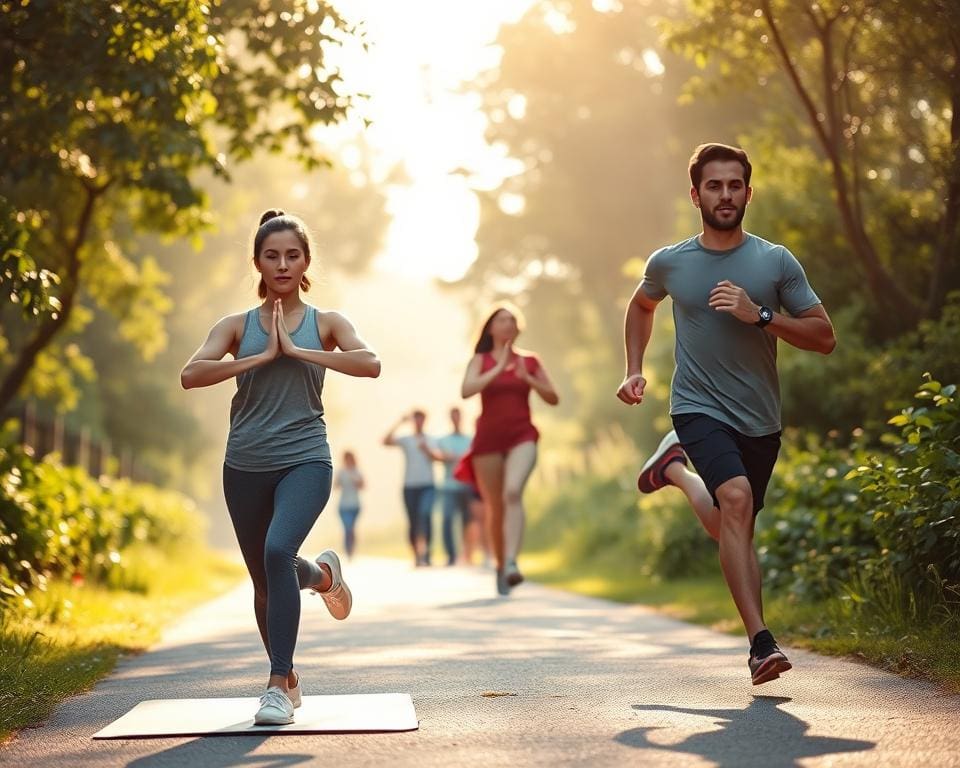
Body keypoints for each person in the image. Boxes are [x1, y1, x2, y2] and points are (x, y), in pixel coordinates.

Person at [616, 143, 836, 685]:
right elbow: (641, 305)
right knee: (735, 499)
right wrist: (633, 367)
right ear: (695, 194)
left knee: (729, 523)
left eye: (734, 185)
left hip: (760, 416)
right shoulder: (670, 262)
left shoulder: (775, 261)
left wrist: (760, 315)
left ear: (748, 193)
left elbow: (825, 336)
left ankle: (672, 469)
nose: (725, 195)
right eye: (714, 186)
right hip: (696, 405)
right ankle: (761, 644)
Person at [180, 209, 381, 725]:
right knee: (267, 581)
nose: (283, 263)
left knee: (276, 550)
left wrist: (300, 351)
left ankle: (273, 685)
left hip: (305, 459)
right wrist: (260, 357)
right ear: (258, 262)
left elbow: (370, 362)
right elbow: (191, 374)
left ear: (306, 260)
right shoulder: (235, 326)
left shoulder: (327, 322)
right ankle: (320, 579)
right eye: (272, 255)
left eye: (293, 254)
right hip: (244, 464)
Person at [456, 304, 559, 595]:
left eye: (512, 319)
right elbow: (466, 390)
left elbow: (553, 398)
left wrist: (530, 379)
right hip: (488, 440)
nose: (508, 323)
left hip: (522, 435)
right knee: (495, 507)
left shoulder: (530, 361)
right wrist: (498, 369)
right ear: (491, 327)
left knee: (512, 492)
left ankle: (512, 561)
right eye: (502, 319)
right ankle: (501, 565)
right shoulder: (480, 359)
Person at [383, 410, 437, 566]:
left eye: (421, 419)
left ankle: (427, 553)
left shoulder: (430, 439)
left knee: (425, 515)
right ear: (413, 421)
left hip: (427, 484)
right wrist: (400, 422)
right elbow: (385, 441)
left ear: (425, 420)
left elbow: (438, 457)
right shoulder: (407, 440)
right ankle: (416, 555)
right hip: (409, 486)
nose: (419, 422)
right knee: (413, 521)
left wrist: (427, 451)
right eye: (416, 419)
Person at [428, 407, 474, 566]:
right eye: (453, 417)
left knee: (467, 521)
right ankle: (451, 555)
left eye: (457, 416)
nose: (455, 419)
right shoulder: (443, 440)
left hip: (466, 486)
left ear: (461, 418)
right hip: (448, 486)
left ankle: (468, 554)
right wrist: (445, 456)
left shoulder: (469, 439)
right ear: (450, 419)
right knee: (447, 520)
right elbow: (435, 455)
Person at [335, 450, 364, 559]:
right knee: (347, 527)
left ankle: (352, 548)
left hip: (355, 505)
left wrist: (355, 480)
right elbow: (336, 486)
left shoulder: (357, 471)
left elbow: (363, 485)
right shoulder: (341, 472)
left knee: (351, 528)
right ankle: (347, 550)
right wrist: (338, 482)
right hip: (343, 506)